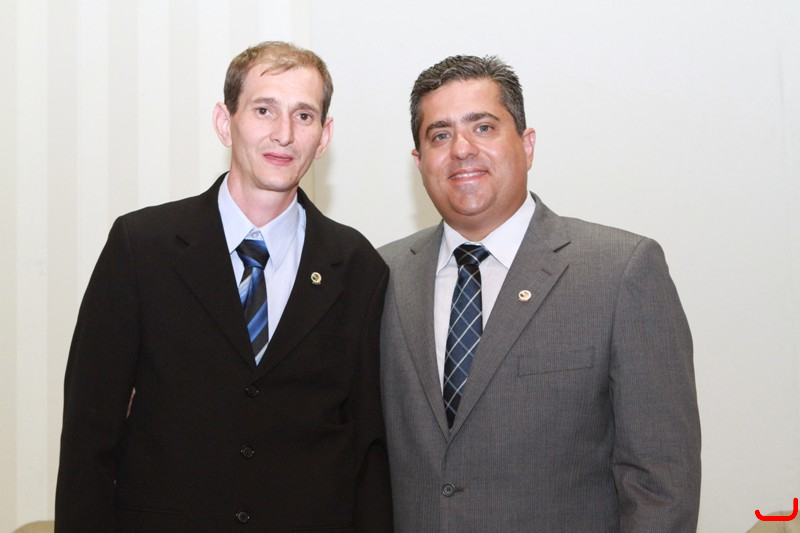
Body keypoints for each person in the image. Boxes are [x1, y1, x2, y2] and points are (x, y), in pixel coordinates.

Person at [55, 41, 392, 532]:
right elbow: (90, 431)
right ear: (224, 121)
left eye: (303, 116)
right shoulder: (141, 247)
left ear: (324, 137)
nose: (283, 134)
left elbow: (368, 450)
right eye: (264, 110)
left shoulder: (358, 266)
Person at [379, 54, 701, 532]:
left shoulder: (621, 271)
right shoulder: (382, 276)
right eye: (440, 135)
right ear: (419, 161)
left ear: (527, 145)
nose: (462, 149)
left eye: (483, 127)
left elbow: (661, 484)